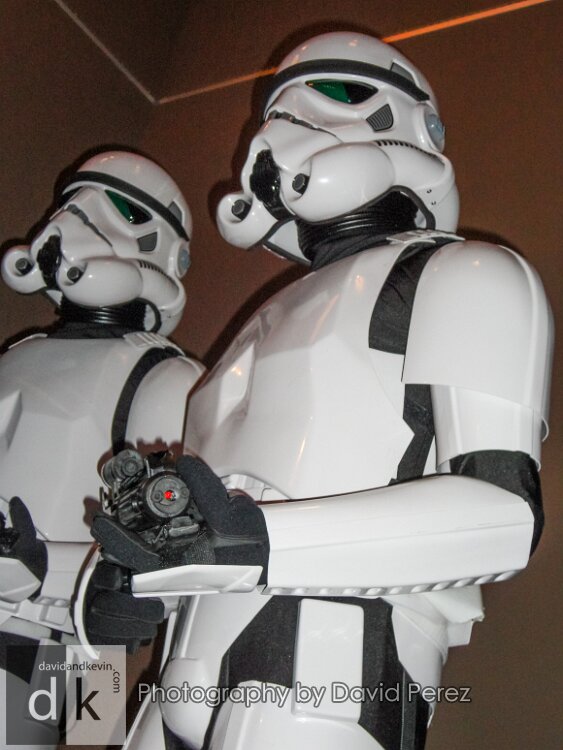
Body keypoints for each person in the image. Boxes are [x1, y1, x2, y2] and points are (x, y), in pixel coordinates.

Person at [91, 33, 553, 749]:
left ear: (412, 128)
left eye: (335, 94)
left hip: (330, 655)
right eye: (274, 110)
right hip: (179, 672)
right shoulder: (255, 325)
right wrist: (113, 587)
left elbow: (503, 515)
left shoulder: (465, 273)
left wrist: (258, 540)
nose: (282, 129)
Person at [0, 151, 204, 748]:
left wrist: (42, 568)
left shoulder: (166, 376)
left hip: (64, 636)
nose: (73, 218)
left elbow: (170, 550)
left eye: (115, 207)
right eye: (71, 201)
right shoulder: (20, 353)